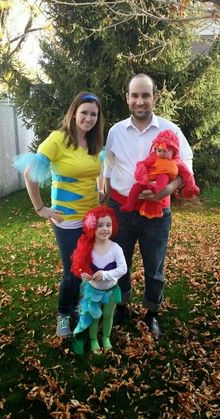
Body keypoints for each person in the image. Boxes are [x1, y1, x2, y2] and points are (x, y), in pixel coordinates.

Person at [103, 73, 195, 339]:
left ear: (155, 97)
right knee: (119, 262)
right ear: (127, 98)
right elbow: (108, 167)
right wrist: (104, 193)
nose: (140, 101)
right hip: (121, 208)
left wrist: (168, 189)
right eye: (135, 95)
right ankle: (122, 306)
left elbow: (186, 165)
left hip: (157, 213)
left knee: (154, 266)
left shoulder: (170, 130)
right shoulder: (115, 131)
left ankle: (152, 312)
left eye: (145, 95)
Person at [14, 91, 104, 337]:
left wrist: (100, 190)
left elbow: (95, 170)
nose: (88, 118)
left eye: (93, 114)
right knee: (73, 270)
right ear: (73, 112)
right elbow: (29, 173)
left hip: (91, 218)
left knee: (85, 267)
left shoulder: (94, 143)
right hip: (66, 220)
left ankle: (76, 308)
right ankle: (64, 314)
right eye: (84, 112)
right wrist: (40, 208)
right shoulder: (58, 139)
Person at [71, 206, 127, 354]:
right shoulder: (88, 248)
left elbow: (123, 269)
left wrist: (106, 274)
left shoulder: (116, 248)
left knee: (108, 315)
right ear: (92, 228)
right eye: (100, 225)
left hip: (111, 291)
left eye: (108, 225)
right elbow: (81, 267)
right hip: (93, 290)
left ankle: (106, 337)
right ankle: (94, 339)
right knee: (95, 316)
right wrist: (84, 274)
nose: (105, 229)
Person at [120, 129, 200, 219]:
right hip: (147, 182)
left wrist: (190, 187)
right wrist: (142, 176)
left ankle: (157, 193)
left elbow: (187, 174)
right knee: (135, 187)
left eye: (165, 151)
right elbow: (143, 164)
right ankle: (129, 205)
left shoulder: (177, 162)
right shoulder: (153, 157)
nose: (161, 153)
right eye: (159, 150)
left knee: (163, 176)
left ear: (173, 151)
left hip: (162, 185)